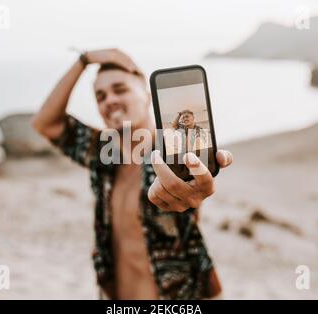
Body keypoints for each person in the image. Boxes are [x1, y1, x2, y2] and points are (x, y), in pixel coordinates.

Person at [31, 48, 233, 300]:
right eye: (100, 96)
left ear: (147, 96)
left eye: (120, 89)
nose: (109, 100)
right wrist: (83, 61)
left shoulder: (172, 152)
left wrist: (195, 190)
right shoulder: (101, 153)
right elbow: (45, 123)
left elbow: (190, 191)